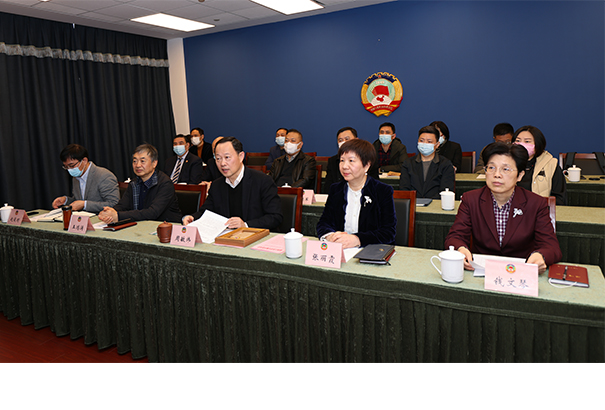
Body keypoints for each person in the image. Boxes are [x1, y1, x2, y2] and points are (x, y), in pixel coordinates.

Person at [445, 142, 562, 274]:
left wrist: (540, 256)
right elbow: (455, 237)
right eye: (491, 168)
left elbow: (551, 246)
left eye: (505, 169)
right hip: (481, 272)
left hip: (521, 273)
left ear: (520, 175)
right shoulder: (471, 200)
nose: (497, 174)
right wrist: (460, 249)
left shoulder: (535, 203)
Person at [183, 137, 282, 230]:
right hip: (225, 237)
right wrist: (192, 217)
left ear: (241, 156)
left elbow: (275, 217)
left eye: (227, 157)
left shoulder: (262, 181)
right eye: (218, 158)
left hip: (255, 236)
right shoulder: (217, 185)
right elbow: (206, 212)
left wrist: (245, 225)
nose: (222, 163)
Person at [316, 139, 396, 248]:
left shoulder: (382, 191)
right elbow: (324, 223)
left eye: (351, 161)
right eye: (342, 160)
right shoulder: (336, 190)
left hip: (370, 251)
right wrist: (330, 236)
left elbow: (388, 233)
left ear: (366, 165)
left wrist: (358, 239)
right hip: (341, 250)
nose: (344, 166)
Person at [99, 144, 182, 223]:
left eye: (142, 161)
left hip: (166, 226)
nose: (138, 165)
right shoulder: (133, 183)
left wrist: (118, 216)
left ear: (154, 163)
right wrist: (109, 212)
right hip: (141, 225)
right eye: (135, 161)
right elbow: (122, 206)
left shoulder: (165, 183)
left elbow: (152, 213)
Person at [52, 144, 119, 213]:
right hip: (82, 217)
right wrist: (65, 200)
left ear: (84, 160)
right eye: (66, 167)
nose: (69, 169)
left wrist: (84, 205)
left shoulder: (104, 175)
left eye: (71, 165)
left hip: (100, 217)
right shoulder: (76, 176)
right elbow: (78, 201)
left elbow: (114, 204)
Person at [514, 125, 567, 205]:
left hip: (541, 210)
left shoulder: (551, 164)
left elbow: (560, 198)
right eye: (518, 141)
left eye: (527, 141)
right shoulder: (507, 163)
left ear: (537, 144)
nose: (521, 144)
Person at [399, 125, 455, 199]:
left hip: (436, 204)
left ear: (437, 145)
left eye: (429, 141)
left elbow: (445, 191)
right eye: (421, 141)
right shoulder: (408, 163)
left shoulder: (445, 164)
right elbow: (404, 189)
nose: (424, 144)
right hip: (413, 203)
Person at [322, 126, 379, 193]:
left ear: (356, 140)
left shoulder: (367, 159)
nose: (344, 142)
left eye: (347, 139)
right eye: (340, 140)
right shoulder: (333, 161)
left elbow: (374, 185)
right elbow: (328, 187)